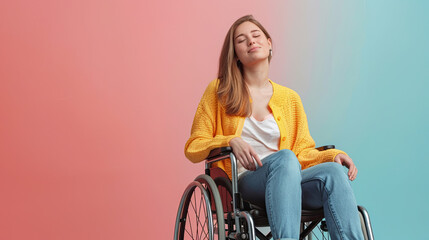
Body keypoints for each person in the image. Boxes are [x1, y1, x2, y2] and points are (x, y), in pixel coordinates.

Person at [184, 15, 363, 240]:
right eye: (241, 40)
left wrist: (333, 155)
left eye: (256, 35)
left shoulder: (290, 98)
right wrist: (229, 140)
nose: (251, 41)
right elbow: (193, 146)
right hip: (245, 183)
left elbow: (303, 152)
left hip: (291, 178)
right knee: (285, 158)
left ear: (269, 44)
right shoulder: (220, 91)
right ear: (235, 54)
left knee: (333, 173)